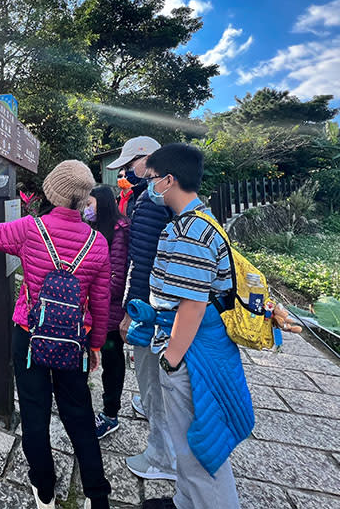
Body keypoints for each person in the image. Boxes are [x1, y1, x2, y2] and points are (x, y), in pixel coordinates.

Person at [0, 160, 112, 509]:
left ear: (52, 191)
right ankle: (97, 496)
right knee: (79, 414)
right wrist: (97, 344)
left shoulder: (30, 229)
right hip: (74, 341)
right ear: (84, 198)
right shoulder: (98, 243)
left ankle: (44, 492)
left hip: (30, 336)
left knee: (34, 412)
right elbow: (100, 302)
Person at [128, 143, 254, 509]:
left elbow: (192, 305)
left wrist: (171, 359)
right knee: (190, 440)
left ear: (169, 180)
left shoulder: (189, 233)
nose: (149, 186)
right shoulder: (198, 220)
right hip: (194, 345)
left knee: (199, 446)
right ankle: (186, 501)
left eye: (152, 179)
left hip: (192, 353)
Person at [106, 136, 177, 482]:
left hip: (153, 305)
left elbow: (144, 262)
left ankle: (163, 458)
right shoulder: (161, 197)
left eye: (128, 165)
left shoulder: (150, 202)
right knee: (155, 376)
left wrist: (131, 312)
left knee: (154, 372)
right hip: (169, 302)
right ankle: (148, 407)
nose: (124, 172)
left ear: (147, 160)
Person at [85, 186, 131, 439]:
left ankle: (110, 415)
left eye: (90, 204)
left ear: (101, 205)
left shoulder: (119, 231)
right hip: (95, 307)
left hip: (110, 313)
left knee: (112, 363)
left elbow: (116, 279)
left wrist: (89, 287)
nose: (87, 209)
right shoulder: (97, 229)